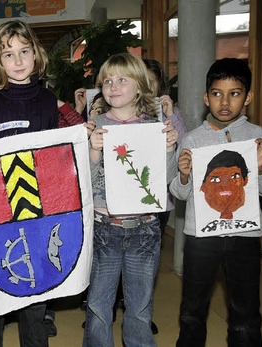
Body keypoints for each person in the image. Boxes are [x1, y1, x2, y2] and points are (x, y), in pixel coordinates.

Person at [0, 20, 91, 346]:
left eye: (24, 52)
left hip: (38, 214)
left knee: (35, 304)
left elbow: (57, 160)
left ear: (36, 55)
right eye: (9, 54)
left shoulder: (49, 102)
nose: (18, 61)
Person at [169, 57, 262, 346]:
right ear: (206, 98)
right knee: (192, 311)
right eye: (217, 93)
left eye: (235, 93)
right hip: (200, 238)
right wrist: (183, 175)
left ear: (248, 97)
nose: (225, 101)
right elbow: (178, 194)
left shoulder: (258, 137)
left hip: (245, 236)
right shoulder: (191, 140)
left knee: (246, 314)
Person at [83, 53, 178, 347]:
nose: (113, 86)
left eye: (122, 79)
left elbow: (166, 179)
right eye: (108, 80)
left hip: (145, 228)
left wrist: (170, 149)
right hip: (104, 227)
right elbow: (84, 183)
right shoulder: (93, 126)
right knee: (98, 306)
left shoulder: (155, 126)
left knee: (139, 308)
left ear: (140, 86)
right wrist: (92, 151)